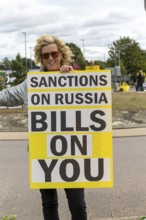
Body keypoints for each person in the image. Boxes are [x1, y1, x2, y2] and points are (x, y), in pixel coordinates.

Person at [0, 34, 88, 220]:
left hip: (72, 150)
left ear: (62, 54)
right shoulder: (32, 83)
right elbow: (7, 95)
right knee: (49, 203)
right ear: (40, 58)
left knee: (78, 206)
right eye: (45, 55)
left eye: (54, 54)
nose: (50, 58)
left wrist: (71, 79)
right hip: (43, 151)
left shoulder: (76, 78)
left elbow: (95, 103)